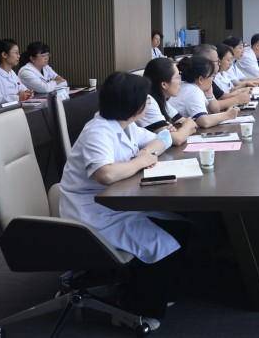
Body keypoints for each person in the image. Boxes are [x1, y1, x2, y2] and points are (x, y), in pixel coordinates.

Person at [59, 72, 189, 328]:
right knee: (163, 246)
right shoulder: (98, 131)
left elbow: (161, 140)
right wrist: (141, 160)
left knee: (178, 225)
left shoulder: (125, 125)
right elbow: (106, 174)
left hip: (118, 201)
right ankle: (132, 311)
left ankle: (160, 291)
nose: (148, 104)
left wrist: (146, 152)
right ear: (135, 107)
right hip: (93, 211)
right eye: (145, 101)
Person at [168, 56, 240, 128]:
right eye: (211, 76)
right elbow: (204, 122)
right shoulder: (192, 91)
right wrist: (227, 115)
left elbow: (215, 110)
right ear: (201, 79)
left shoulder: (191, 87)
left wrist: (210, 96)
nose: (212, 79)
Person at [139, 57, 198, 145]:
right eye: (177, 77)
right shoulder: (148, 102)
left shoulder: (161, 100)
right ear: (164, 84)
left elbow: (191, 124)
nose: (180, 81)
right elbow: (177, 139)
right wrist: (186, 127)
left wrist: (183, 129)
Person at [192, 44, 251, 110]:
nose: (219, 63)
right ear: (207, 62)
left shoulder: (209, 79)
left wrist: (241, 91)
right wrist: (237, 99)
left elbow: (218, 102)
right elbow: (213, 108)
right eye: (217, 60)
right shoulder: (195, 86)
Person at [0, 39, 34, 106]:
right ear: (4, 54)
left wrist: (26, 92)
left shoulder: (11, 73)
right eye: (16, 53)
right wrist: (16, 97)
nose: (19, 56)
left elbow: (21, 88)